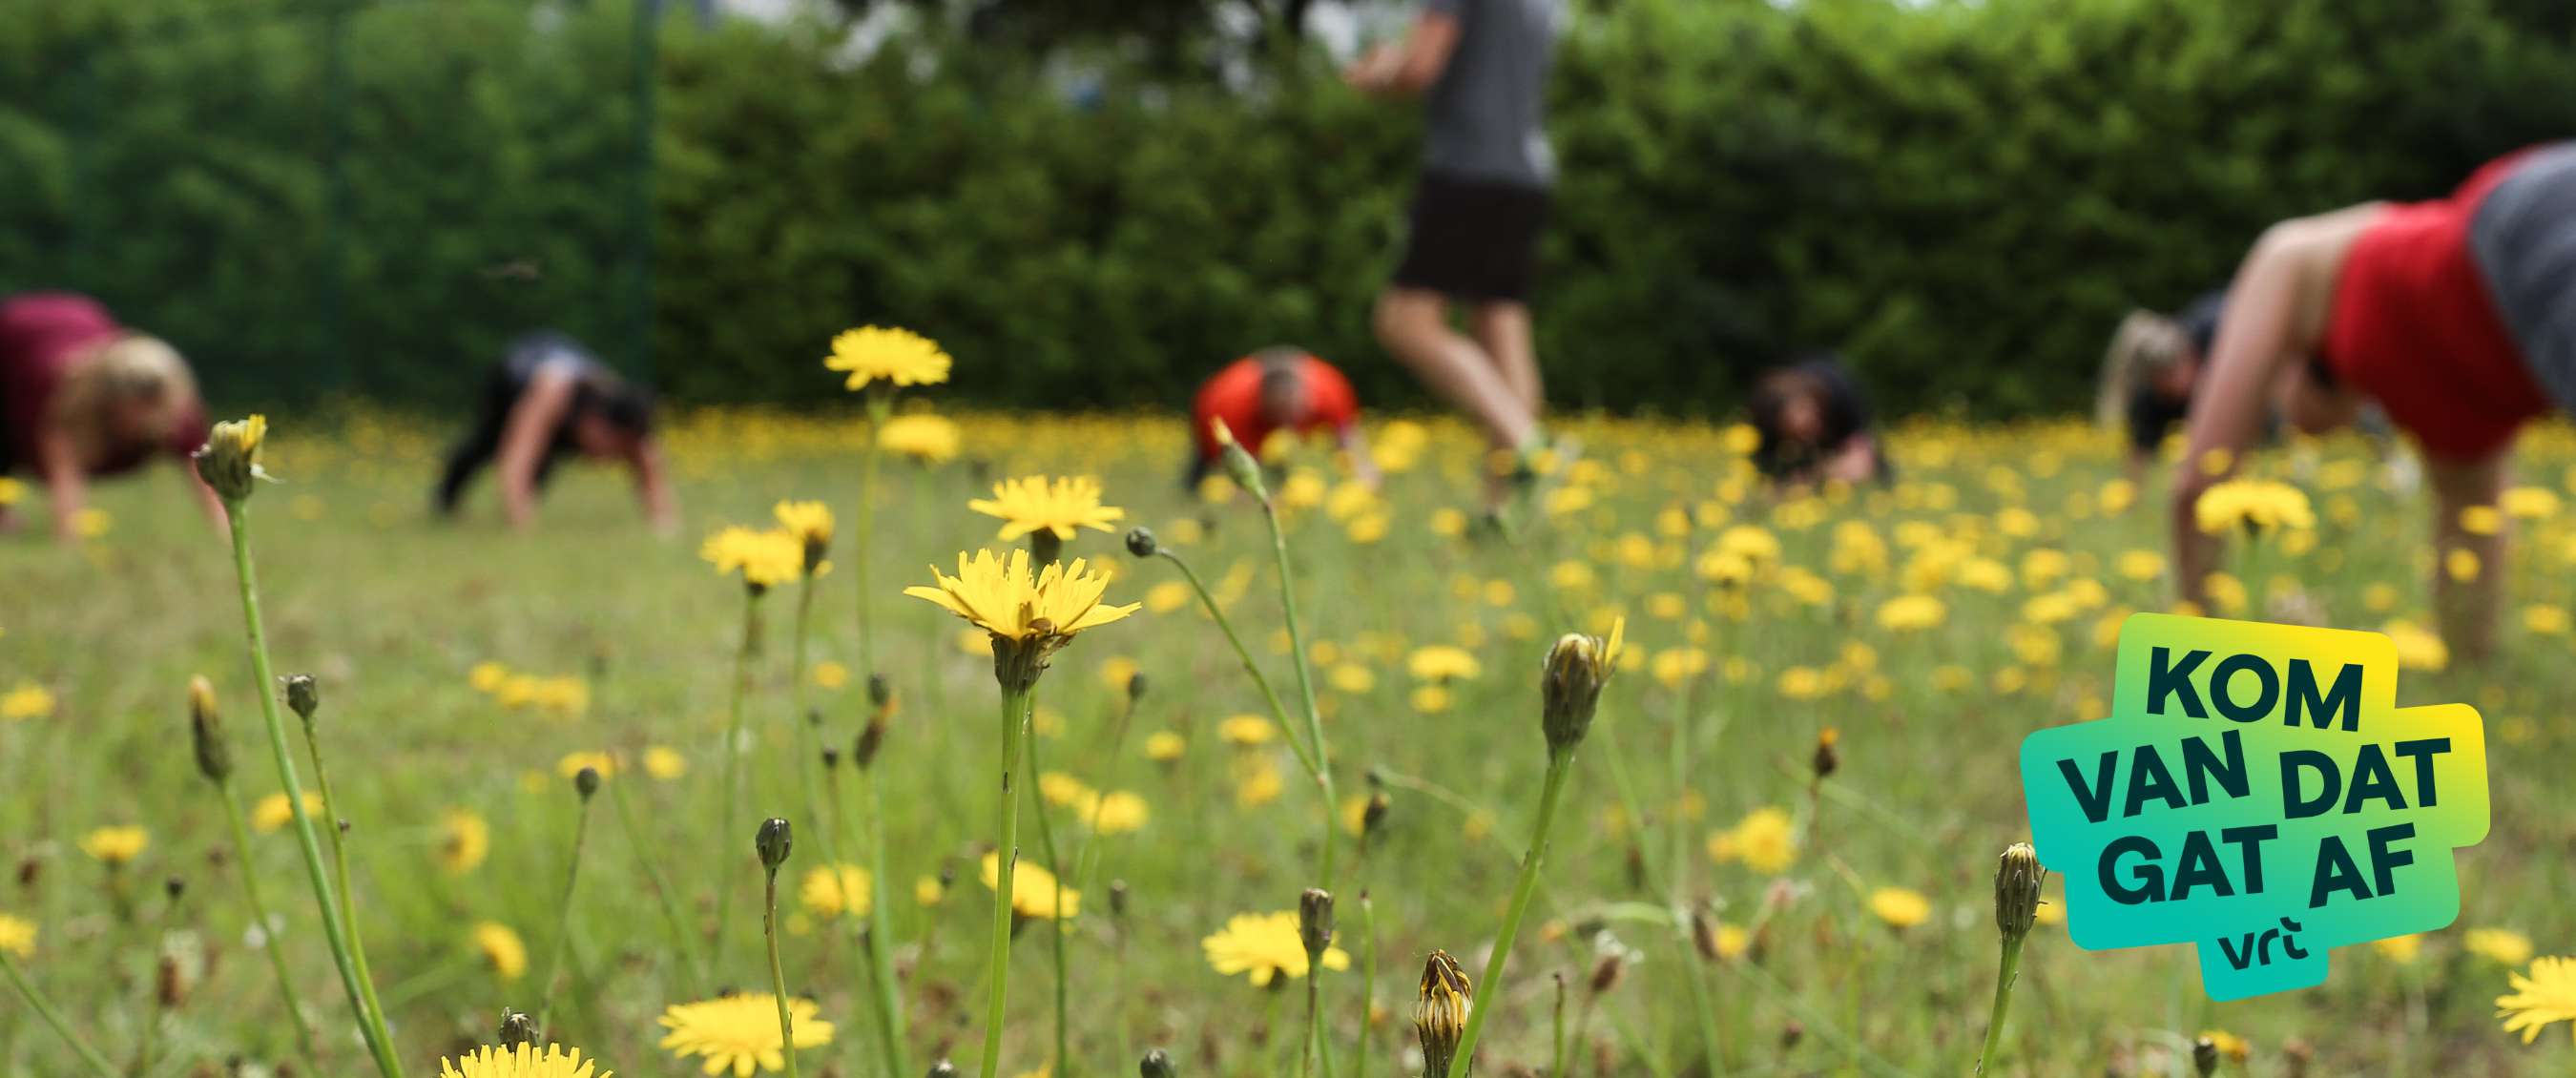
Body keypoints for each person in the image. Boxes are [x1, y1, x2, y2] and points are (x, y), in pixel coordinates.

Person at [2170, 142, 2576, 661]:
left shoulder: (2293, 258)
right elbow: (2470, 555)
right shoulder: (2450, 412)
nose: (2288, 424)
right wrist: (2466, 683)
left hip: (2527, 220)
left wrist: (2197, 653)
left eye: (2272, 402)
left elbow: (2199, 483)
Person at [1346, 0, 1563, 507]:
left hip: (1468, 170)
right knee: (1500, 322)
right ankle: (1504, 513)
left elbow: (1421, 66)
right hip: (1526, 171)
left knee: (1404, 321)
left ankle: (1527, 444)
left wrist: (1380, 71)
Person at [0, 292, 221, 544]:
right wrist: (71, 539)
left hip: (80, 316)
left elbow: (204, 473)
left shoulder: (172, 401)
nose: (144, 421)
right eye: (136, 409)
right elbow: (65, 477)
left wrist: (226, 533)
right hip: (12, 338)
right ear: (110, 402)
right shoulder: (62, 398)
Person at [434, 331, 675, 533]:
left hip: (565, 391)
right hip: (516, 377)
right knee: (486, 443)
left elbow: (651, 471)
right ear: (596, 421)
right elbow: (516, 461)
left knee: (545, 463)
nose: (612, 455)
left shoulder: (628, 414)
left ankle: (524, 504)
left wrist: (664, 525)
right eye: (613, 445)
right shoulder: (552, 394)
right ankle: (445, 503)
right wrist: (522, 530)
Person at [1188, 346, 1378, 490]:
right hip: (1213, 418)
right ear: (1263, 400)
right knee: (1205, 478)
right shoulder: (1231, 406)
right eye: (1280, 411)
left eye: (1292, 410)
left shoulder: (1331, 391)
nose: (1287, 421)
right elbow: (1234, 475)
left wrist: (1364, 477)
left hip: (1296, 428)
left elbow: (1350, 439)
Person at [2097, 290, 2227, 480]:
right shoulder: (2151, 399)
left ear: (2187, 354)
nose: (2175, 388)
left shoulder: (2219, 331)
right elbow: (2139, 453)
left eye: (2172, 373)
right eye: (2161, 383)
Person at [1747, 355, 1884, 487]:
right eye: (1798, 433)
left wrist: (1822, 473)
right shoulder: (1764, 422)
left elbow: (1861, 455)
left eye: (1810, 424)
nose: (1809, 434)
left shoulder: (1839, 392)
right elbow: (1766, 478)